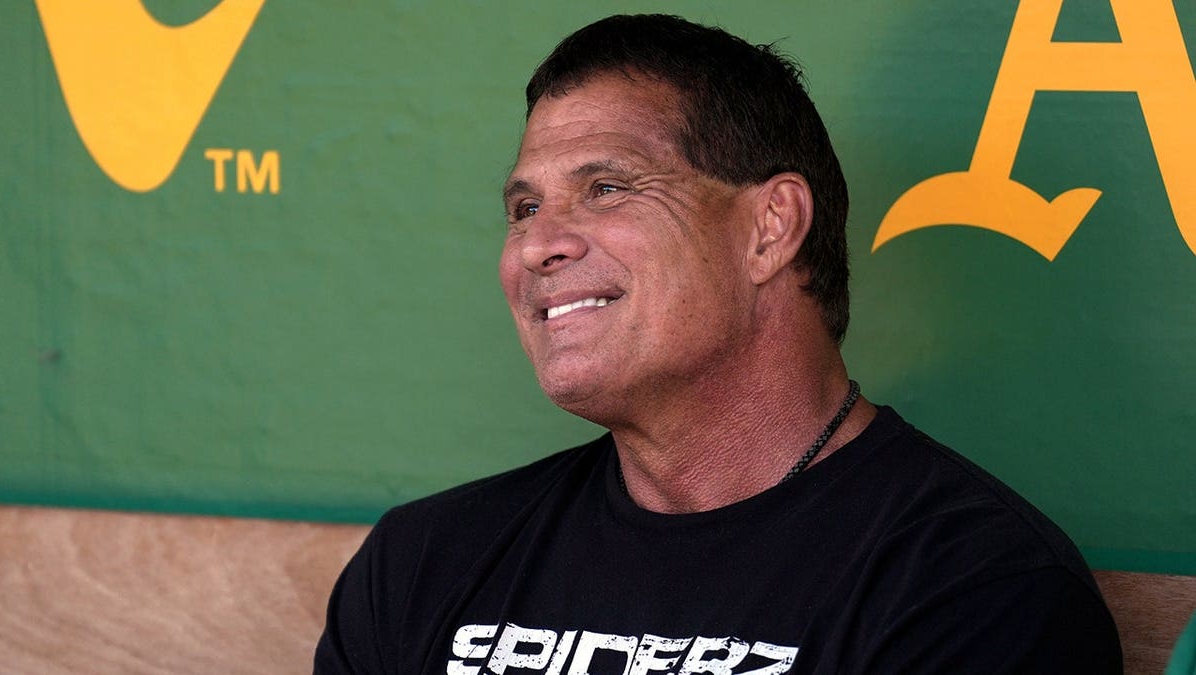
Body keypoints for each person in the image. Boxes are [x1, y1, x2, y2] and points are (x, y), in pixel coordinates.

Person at [316, 14, 1122, 674]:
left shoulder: (975, 592)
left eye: (606, 188)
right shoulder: (423, 564)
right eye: (524, 209)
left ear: (770, 228)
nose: (537, 245)